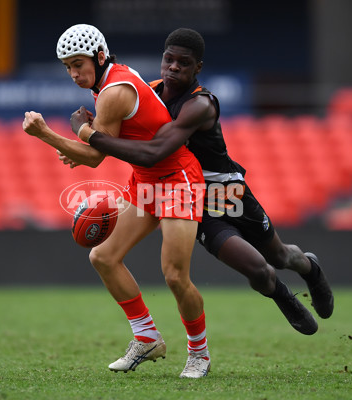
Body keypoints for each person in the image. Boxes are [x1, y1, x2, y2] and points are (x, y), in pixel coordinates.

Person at [69, 28, 334, 335]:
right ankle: (282, 295)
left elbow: (153, 152)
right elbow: (121, 131)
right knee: (257, 270)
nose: (174, 67)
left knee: (279, 255)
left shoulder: (201, 104)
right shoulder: (146, 93)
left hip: (229, 193)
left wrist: (90, 135)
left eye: (183, 62)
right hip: (191, 197)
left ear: (198, 68)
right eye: (169, 59)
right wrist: (97, 130)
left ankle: (310, 268)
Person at [22, 24, 211, 378]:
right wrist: (80, 145)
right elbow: (99, 146)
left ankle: (199, 353)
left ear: (100, 56)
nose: (73, 72)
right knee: (103, 256)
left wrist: (45, 134)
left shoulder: (112, 91)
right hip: (146, 179)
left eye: (78, 63)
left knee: (173, 276)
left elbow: (94, 155)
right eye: (67, 66)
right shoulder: (108, 83)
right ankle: (147, 338)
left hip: (177, 180)